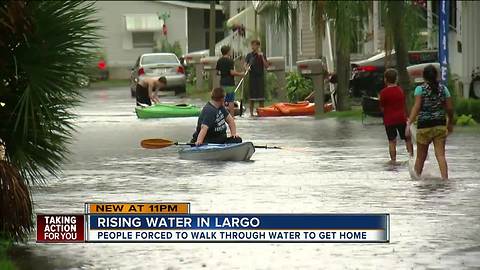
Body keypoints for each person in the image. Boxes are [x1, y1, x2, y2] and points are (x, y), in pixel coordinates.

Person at [406, 65, 453, 180]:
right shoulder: (444, 89)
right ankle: (445, 179)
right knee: (441, 155)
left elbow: (416, 107)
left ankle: (415, 181)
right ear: (436, 76)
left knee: (420, 157)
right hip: (440, 125)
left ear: (424, 76)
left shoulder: (420, 89)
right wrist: (450, 122)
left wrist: (409, 123)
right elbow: (450, 108)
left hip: (424, 126)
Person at [379, 69, 413, 163]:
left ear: (385, 79)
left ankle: (393, 160)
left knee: (392, 141)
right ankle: (412, 157)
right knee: (407, 139)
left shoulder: (383, 92)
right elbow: (404, 104)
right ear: (396, 79)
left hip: (389, 120)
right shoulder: (400, 90)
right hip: (401, 118)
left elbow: (382, 107)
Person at [216, 45, 244, 116]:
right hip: (230, 83)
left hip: (222, 82)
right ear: (228, 52)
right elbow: (232, 72)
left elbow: (218, 72)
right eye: (230, 51)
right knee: (231, 100)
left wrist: (223, 72)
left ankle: (222, 115)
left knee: (222, 100)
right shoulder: (230, 61)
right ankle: (231, 116)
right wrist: (240, 74)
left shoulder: (219, 61)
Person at [245, 39, 269, 116]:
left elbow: (266, 66)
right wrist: (247, 68)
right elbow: (245, 64)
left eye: (254, 45)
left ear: (258, 46)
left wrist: (262, 57)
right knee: (252, 97)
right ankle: (251, 113)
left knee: (261, 97)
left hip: (260, 78)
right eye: (252, 45)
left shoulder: (262, 55)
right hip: (252, 78)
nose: (253, 46)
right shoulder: (249, 55)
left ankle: (261, 112)